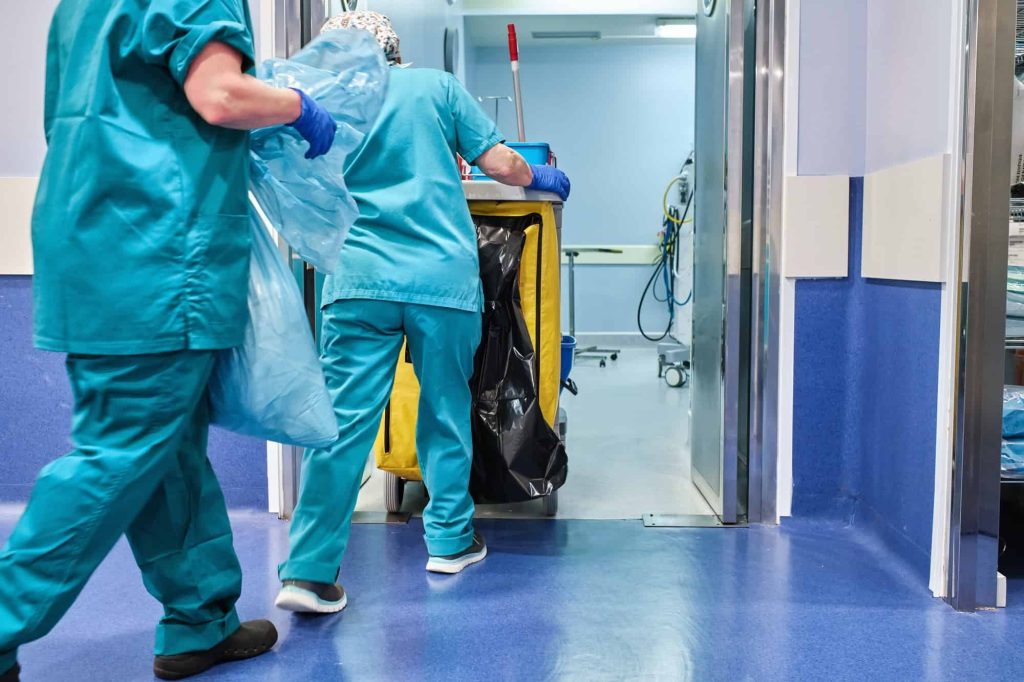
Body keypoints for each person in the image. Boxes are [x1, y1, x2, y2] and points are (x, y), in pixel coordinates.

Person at [0, 2, 337, 680]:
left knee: (168, 446)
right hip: (157, 255)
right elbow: (218, 96)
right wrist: (295, 105)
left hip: (98, 246)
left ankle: (199, 620)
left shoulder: (81, 9)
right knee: (119, 452)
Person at [274, 10, 570, 615]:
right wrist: (543, 175)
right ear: (395, 51)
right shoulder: (434, 87)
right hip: (440, 282)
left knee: (342, 425)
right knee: (444, 409)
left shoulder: (316, 103)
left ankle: (306, 571)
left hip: (356, 282)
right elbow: (502, 167)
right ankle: (450, 542)